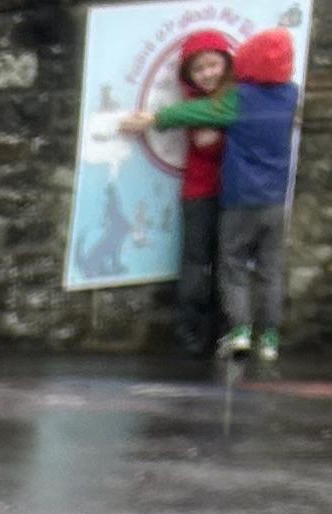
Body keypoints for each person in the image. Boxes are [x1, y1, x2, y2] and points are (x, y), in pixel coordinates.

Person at [121, 29, 236, 362]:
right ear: (188, 75)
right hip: (200, 192)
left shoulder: (231, 98)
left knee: (227, 265)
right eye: (198, 69)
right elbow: (206, 142)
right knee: (197, 264)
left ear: (226, 64)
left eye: (213, 65)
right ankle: (191, 337)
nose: (207, 74)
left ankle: (225, 332)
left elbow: (216, 126)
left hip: (232, 193)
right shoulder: (192, 104)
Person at [217, 26, 300, 366]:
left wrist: (158, 117)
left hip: (239, 197)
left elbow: (198, 112)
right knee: (271, 269)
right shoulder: (291, 95)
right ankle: (269, 339)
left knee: (233, 264)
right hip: (275, 200)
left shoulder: (238, 97)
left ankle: (239, 331)